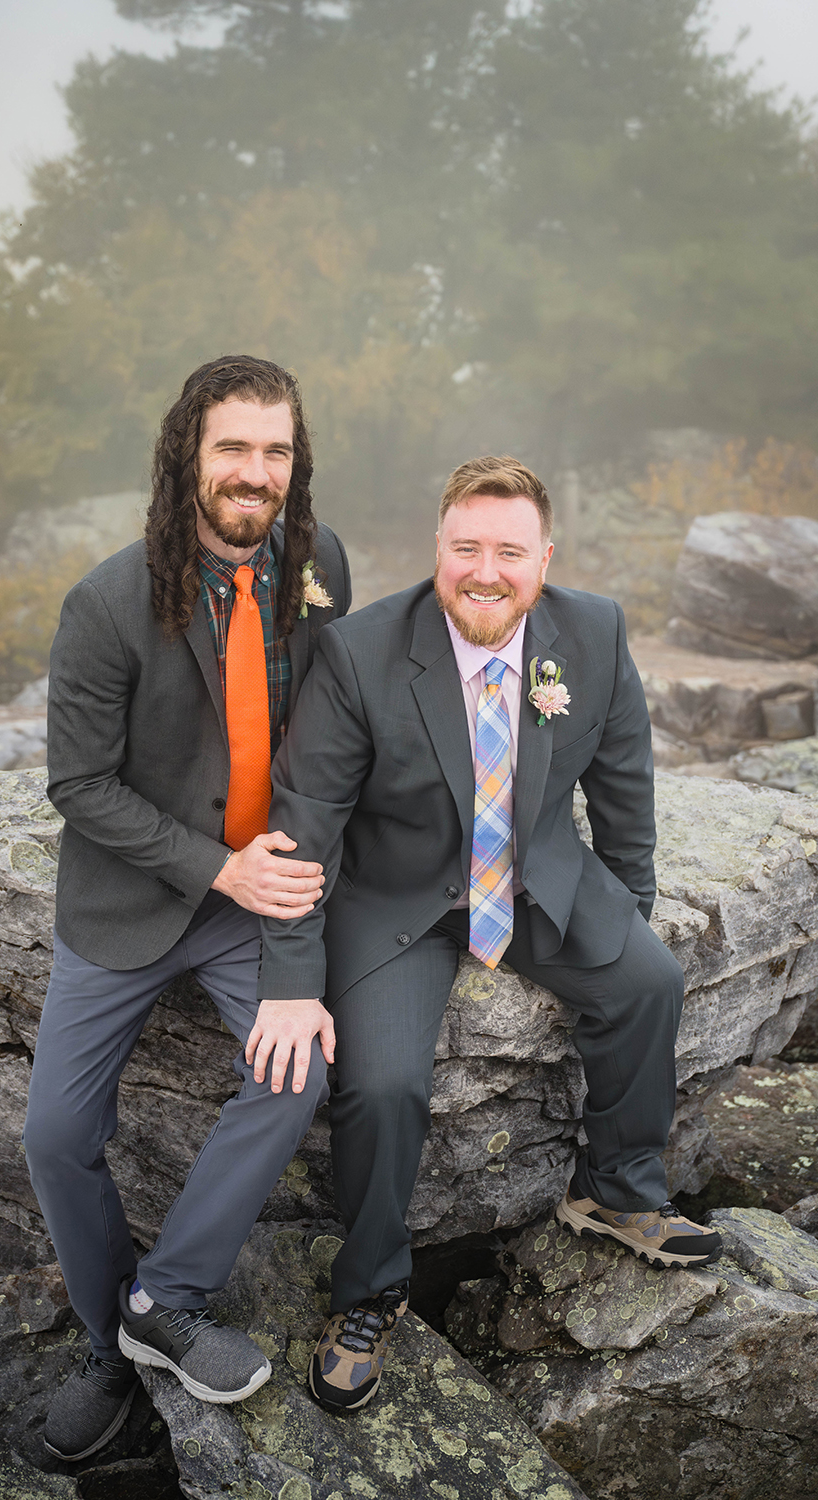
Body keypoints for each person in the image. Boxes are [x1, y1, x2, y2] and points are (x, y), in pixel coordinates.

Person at [252, 454, 722, 1415]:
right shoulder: (361, 652)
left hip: (541, 870)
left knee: (649, 982)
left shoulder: (593, 632)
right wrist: (293, 979)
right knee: (381, 1084)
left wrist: (629, 907)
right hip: (399, 896)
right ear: (439, 549)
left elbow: (623, 786)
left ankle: (618, 1189)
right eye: (465, 547)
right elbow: (305, 830)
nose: (485, 570)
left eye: (509, 551)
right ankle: (369, 1291)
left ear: (544, 558)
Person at [24, 355, 350, 1461]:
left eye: (275, 451)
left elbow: (329, 745)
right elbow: (77, 787)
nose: (254, 473)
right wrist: (216, 869)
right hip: (132, 898)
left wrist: (294, 946)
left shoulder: (320, 567)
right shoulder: (106, 604)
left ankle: (163, 1301)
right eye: (232, 449)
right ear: (187, 457)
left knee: (297, 1064)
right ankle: (104, 1338)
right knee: (56, 1135)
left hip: (257, 900)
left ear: (293, 464)